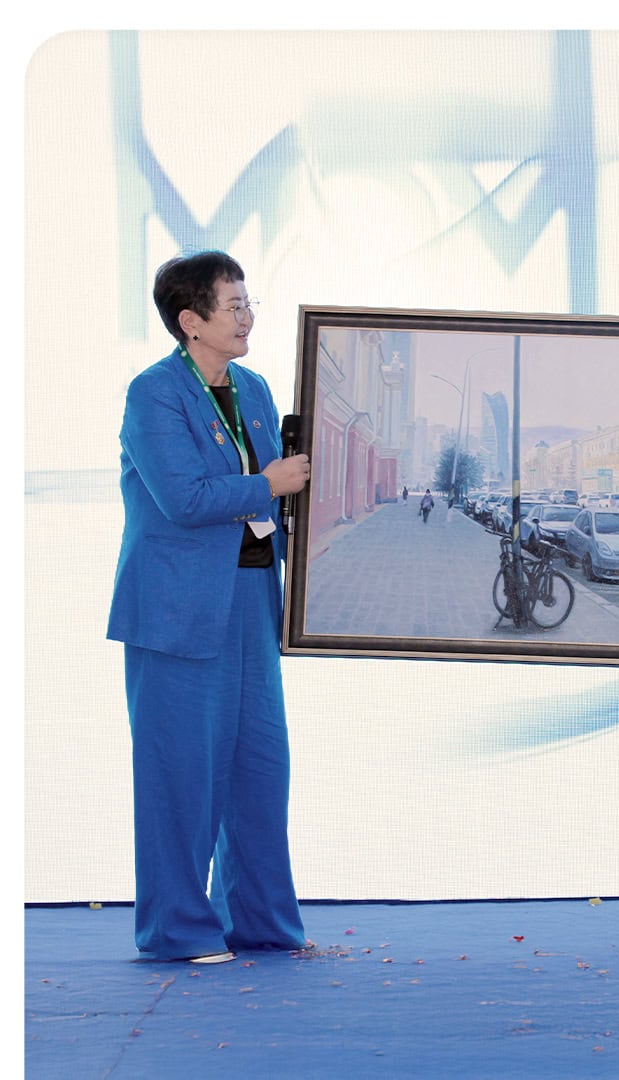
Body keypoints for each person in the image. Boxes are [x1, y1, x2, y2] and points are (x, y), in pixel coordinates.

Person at [107, 251, 311, 964]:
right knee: (180, 779)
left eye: (249, 301)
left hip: (251, 602)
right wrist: (269, 484)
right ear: (191, 321)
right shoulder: (154, 394)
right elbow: (185, 498)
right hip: (177, 615)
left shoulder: (252, 387)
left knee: (260, 772)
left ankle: (260, 924)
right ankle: (177, 931)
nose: (248, 315)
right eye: (234, 305)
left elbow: (283, 495)